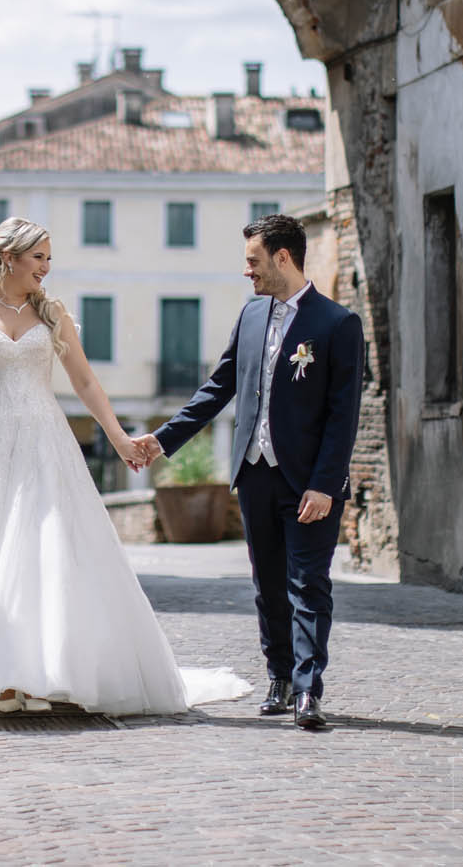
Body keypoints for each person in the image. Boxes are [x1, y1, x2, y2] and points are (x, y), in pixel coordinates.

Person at [0, 218, 248, 717]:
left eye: (49, 259)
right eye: (39, 258)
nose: (46, 268)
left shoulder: (53, 315)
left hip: (43, 440)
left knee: (45, 550)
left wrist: (121, 440)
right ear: (9, 257)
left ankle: (44, 677)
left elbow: (85, 383)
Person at [137, 213, 363, 732]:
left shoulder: (337, 325)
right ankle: (280, 678)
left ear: (283, 257)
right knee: (267, 585)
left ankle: (309, 691)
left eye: (253, 261)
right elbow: (217, 390)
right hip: (255, 474)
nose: (248, 272)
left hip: (309, 483)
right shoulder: (252, 316)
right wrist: (161, 440)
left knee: (309, 585)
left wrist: (325, 485)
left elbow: (342, 415)